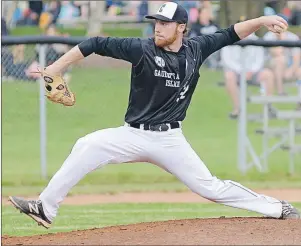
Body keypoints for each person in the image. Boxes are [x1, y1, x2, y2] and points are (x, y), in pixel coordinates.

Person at [8, 2, 300, 229]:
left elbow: (232, 33)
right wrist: (56, 68)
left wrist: (262, 20)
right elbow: (95, 43)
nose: (158, 28)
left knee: (210, 188)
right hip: (132, 134)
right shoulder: (142, 49)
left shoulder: (197, 49)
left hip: (169, 140)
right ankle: (46, 208)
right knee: (86, 145)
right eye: (156, 22)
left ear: (182, 27)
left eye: (165, 23)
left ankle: (277, 208)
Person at [221, 21, 275, 119]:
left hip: (253, 72)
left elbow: (260, 59)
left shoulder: (256, 40)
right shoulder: (228, 40)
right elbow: (227, 61)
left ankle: (268, 107)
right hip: (236, 73)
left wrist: (251, 71)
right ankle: (237, 109)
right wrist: (241, 71)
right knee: (228, 76)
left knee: (268, 74)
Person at [263, 27, 301, 95]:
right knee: (280, 60)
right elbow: (277, 53)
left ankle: (299, 104)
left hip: (289, 66)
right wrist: (282, 39)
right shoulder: (268, 36)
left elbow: (297, 58)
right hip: (270, 66)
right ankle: (280, 91)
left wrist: (291, 70)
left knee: (299, 71)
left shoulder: (293, 37)